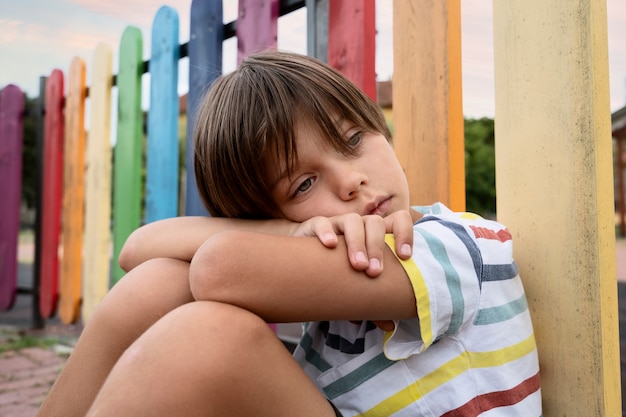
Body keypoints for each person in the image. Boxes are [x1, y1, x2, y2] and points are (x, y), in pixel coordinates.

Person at [40, 51, 541, 416]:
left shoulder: (451, 244)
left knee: (204, 336)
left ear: (379, 128)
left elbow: (219, 270)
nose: (350, 181)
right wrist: (292, 229)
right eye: (304, 184)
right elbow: (137, 248)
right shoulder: (324, 293)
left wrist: (283, 228)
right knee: (155, 286)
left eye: (351, 140)